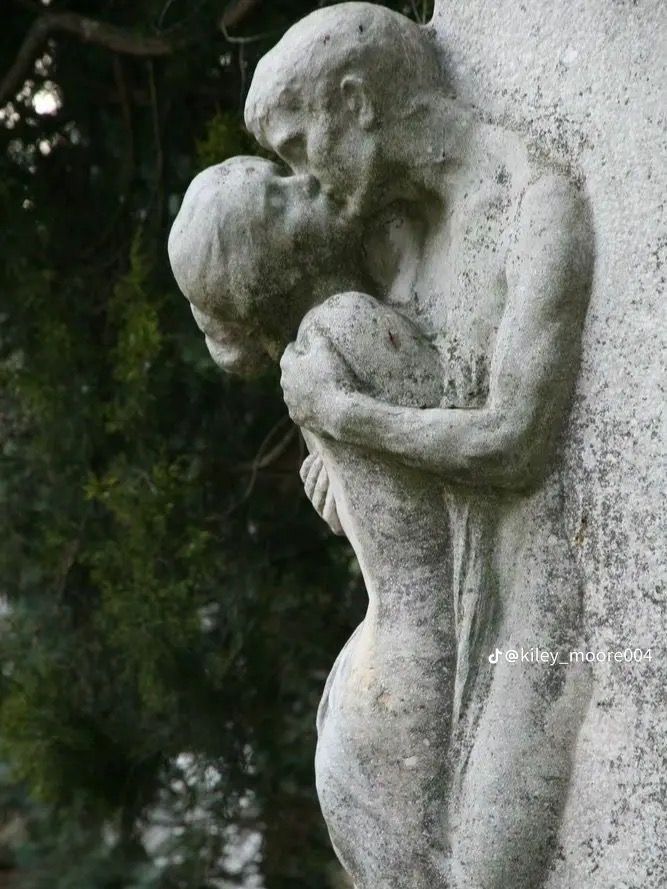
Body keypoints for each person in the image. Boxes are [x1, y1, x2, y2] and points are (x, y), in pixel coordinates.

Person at [244, 5, 594, 887]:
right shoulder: (398, 248)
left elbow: (516, 441)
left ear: (354, 102)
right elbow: (412, 448)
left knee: (484, 872)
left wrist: (351, 419)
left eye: (296, 148)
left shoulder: (533, 202)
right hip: (441, 616)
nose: (307, 184)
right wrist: (344, 474)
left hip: (532, 619)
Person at [168, 157, 465, 886]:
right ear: (267, 270)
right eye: (278, 195)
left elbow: (391, 509)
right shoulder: (345, 324)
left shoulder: (302, 364)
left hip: (383, 657)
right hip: (432, 649)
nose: (304, 181)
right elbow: (460, 416)